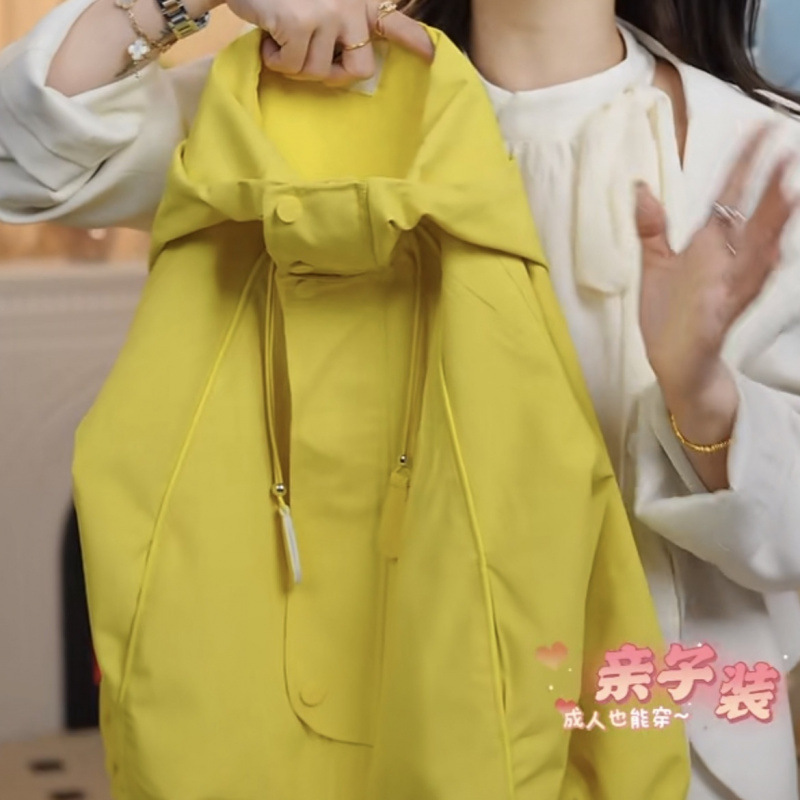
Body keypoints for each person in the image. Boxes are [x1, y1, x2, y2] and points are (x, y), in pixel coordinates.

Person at [2, 0, 800, 798]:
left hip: (676, 749)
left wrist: (701, 395)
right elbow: (22, 160)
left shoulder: (762, 153)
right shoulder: (292, 97)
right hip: (359, 743)